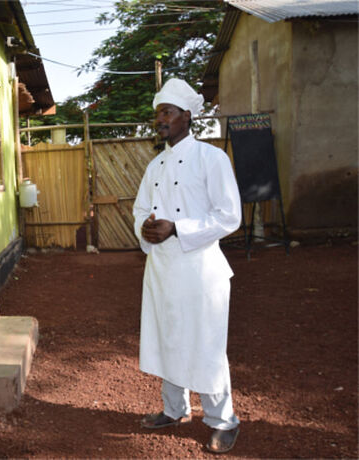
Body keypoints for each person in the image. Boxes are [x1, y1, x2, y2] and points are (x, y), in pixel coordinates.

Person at [132, 78, 242, 454]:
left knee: (206, 343)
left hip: (200, 270)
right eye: (157, 113)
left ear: (187, 116)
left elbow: (229, 216)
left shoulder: (213, 159)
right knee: (169, 338)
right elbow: (141, 210)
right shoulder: (155, 166)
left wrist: (178, 228)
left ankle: (223, 420)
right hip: (162, 270)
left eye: (167, 112)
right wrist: (146, 229)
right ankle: (174, 409)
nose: (160, 120)